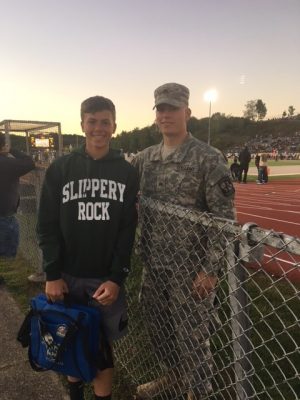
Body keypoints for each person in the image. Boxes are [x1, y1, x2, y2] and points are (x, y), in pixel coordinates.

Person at [132, 83, 236, 399]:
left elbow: (224, 220)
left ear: (187, 113)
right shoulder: (145, 159)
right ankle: (175, 376)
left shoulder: (208, 158)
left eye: (172, 109)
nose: (165, 115)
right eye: (160, 109)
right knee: (158, 328)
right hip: (155, 263)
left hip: (191, 268)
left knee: (193, 336)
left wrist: (211, 269)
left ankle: (198, 391)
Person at [37, 96, 139, 400]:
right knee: (69, 339)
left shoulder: (126, 172)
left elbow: (126, 230)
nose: (98, 128)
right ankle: (75, 395)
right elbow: (47, 224)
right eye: (92, 121)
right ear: (82, 125)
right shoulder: (61, 168)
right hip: (67, 275)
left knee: (102, 348)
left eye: (105, 122)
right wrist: (52, 273)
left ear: (114, 126)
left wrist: (116, 277)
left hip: (103, 278)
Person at [0, 133, 35, 259]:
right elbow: (30, 162)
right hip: (4, 216)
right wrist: (11, 150)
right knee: (6, 254)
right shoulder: (5, 163)